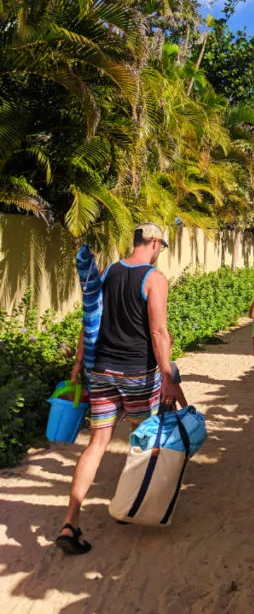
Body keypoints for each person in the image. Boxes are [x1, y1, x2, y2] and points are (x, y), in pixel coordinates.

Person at [56, 223, 175, 556]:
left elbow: (89, 317)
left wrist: (80, 362)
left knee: (97, 443)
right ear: (153, 243)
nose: (160, 252)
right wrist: (168, 375)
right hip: (138, 374)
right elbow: (158, 331)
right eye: (161, 246)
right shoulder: (154, 279)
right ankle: (128, 504)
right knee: (140, 439)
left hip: (101, 370)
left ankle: (70, 522)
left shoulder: (109, 271)